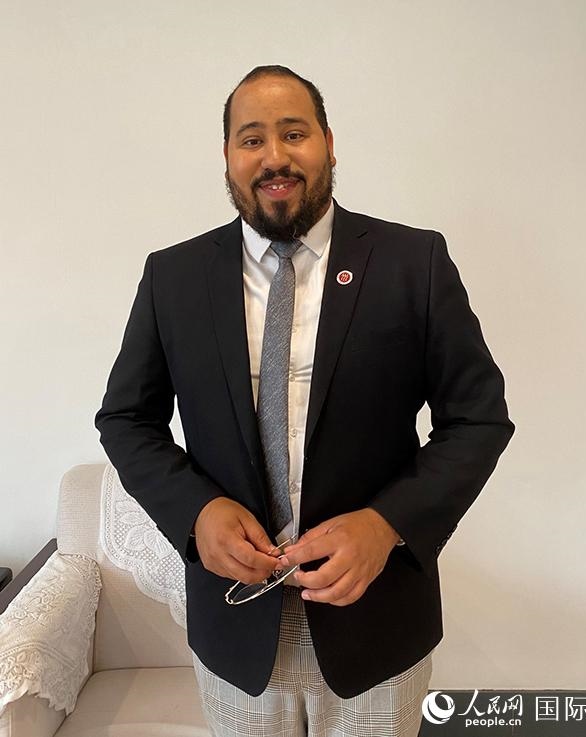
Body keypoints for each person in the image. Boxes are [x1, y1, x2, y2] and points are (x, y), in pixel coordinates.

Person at [95, 65, 514, 737]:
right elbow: (125, 419)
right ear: (227, 156)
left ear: (328, 143)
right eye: (251, 139)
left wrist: (386, 523)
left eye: (294, 133)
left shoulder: (414, 262)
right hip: (235, 630)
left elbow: (478, 418)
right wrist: (196, 512)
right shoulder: (172, 277)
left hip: (378, 625)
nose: (274, 156)